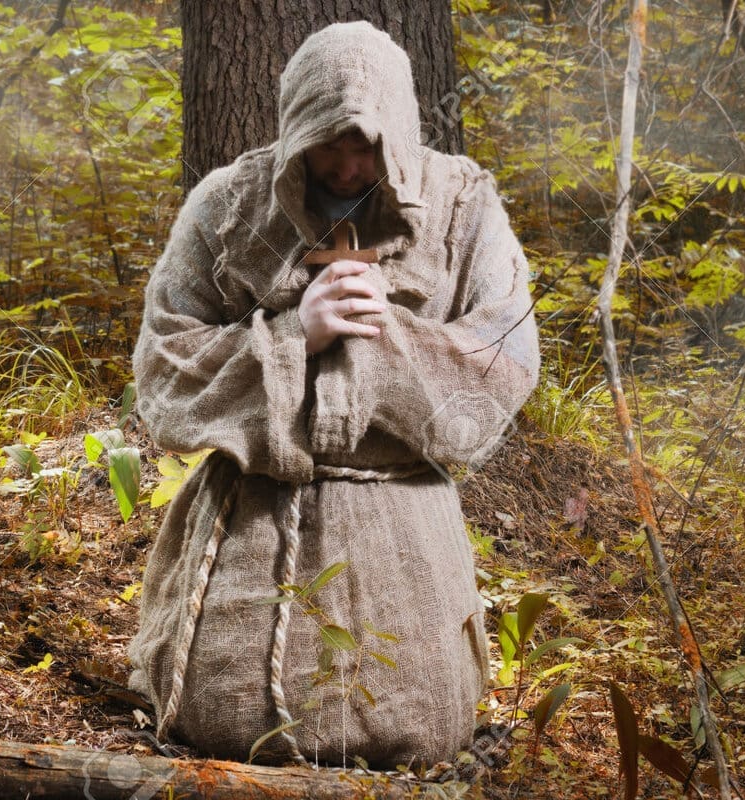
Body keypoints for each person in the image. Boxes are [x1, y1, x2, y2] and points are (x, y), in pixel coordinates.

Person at [128, 20, 540, 769]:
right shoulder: (226, 206)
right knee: (228, 725)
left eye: (367, 147)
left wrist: (392, 338)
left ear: (402, 132)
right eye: (328, 145)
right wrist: (293, 336)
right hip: (256, 513)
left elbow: (508, 356)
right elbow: (163, 367)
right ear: (295, 130)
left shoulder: (461, 206)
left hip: (403, 523)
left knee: (417, 729)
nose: (348, 168)